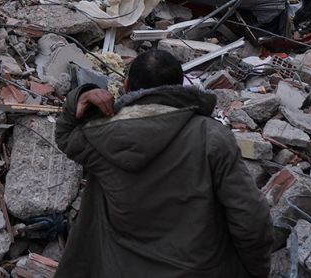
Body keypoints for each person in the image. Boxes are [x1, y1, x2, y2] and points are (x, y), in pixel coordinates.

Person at [53, 48, 273, 277]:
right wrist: (254, 271)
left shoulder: (101, 136)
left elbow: (65, 134)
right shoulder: (212, 137)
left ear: (126, 86)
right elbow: (250, 218)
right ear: (180, 86)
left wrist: (81, 96)